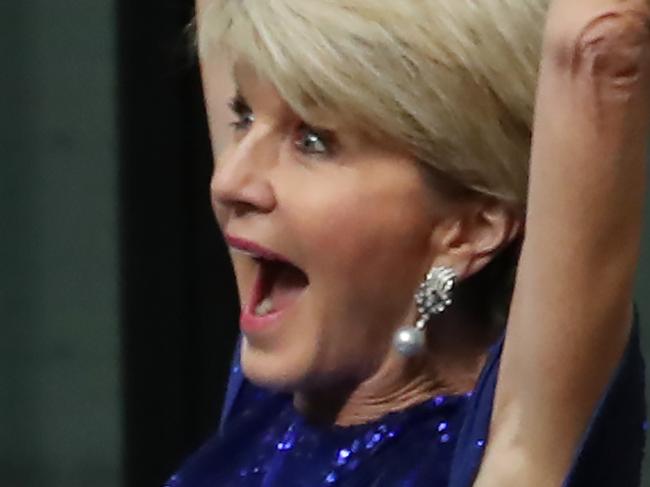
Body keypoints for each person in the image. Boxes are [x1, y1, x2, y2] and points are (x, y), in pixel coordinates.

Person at [167, 0, 650, 485]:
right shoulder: (283, 379)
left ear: (471, 228)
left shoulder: (514, 449)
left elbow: (602, 42)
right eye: (244, 117)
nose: (228, 180)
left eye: (312, 140)